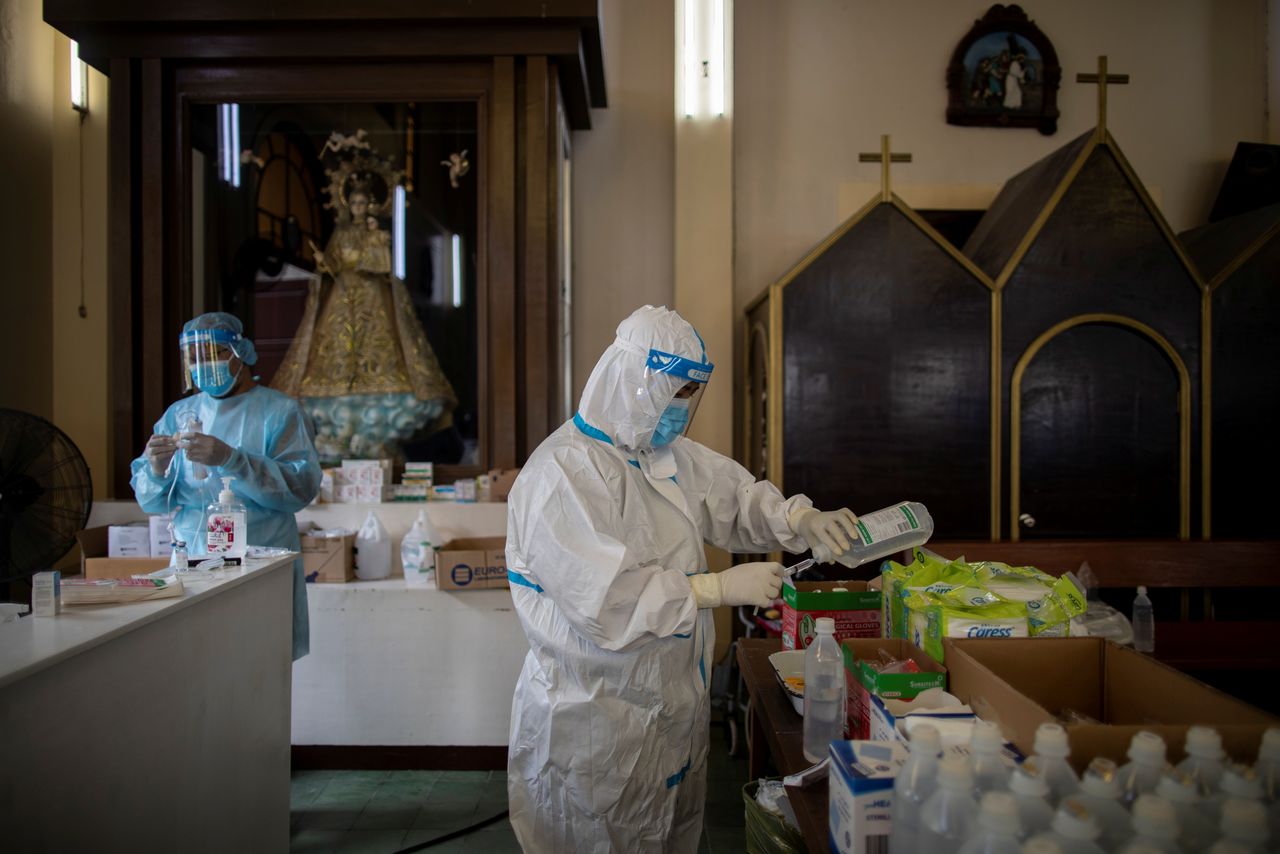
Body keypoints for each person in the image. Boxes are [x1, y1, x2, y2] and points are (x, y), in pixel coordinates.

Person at [505, 305, 860, 852]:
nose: (680, 411)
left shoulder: (662, 456)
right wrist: (714, 589)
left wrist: (800, 520)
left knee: (669, 833)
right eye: (673, 393)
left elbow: (734, 497)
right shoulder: (560, 476)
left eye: (689, 396)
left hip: (668, 705)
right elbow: (605, 601)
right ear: (631, 382)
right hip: (596, 718)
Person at [130, 312, 321, 660]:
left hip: (259, 560)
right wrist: (155, 469)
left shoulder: (280, 412)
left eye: (212, 353)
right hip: (192, 558)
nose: (202, 365)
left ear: (240, 353)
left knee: (257, 662)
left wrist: (233, 459)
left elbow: (300, 487)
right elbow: (152, 502)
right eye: (193, 358)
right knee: (194, 665)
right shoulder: (178, 413)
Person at [271, 170, 457, 462]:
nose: (358, 208)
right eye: (354, 203)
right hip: (343, 298)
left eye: (362, 203)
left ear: (370, 205)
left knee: (381, 348)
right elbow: (330, 263)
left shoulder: (376, 234)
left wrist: (367, 253)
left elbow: (383, 264)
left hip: (371, 298)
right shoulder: (341, 234)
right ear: (348, 205)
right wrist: (325, 265)